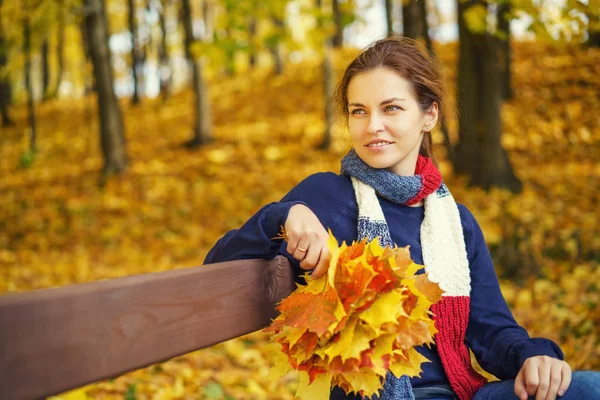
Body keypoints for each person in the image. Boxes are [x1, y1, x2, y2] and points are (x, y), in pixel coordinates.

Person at [204, 37, 599, 400]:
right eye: (359, 111)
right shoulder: (326, 196)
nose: (372, 126)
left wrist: (534, 355)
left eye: (390, 107)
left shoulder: (454, 220)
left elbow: (492, 331)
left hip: (462, 392)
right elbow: (215, 270)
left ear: (429, 115)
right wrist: (284, 214)